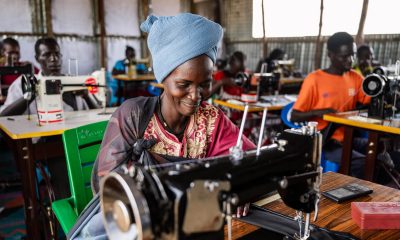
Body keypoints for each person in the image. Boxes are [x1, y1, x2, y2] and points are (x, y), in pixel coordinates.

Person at [75, 13, 256, 239]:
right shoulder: (133, 115)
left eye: (205, 84)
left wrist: (243, 185)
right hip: (134, 221)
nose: (195, 95)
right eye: (184, 84)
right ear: (163, 76)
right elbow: (108, 187)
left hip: (190, 220)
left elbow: (249, 160)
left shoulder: (211, 119)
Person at [291, 32, 370, 178]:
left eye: (352, 55)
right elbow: (294, 116)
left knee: (382, 152)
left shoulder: (355, 78)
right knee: (364, 164)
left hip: (349, 136)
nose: (350, 60)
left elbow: (369, 101)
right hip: (326, 141)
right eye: (344, 56)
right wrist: (320, 112)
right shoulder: (314, 80)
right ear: (330, 55)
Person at [0, 37, 99, 116]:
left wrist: (86, 96)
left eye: (57, 54)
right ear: (37, 59)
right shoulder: (23, 82)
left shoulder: (74, 81)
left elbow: (98, 114)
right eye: (46, 55)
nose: (53, 59)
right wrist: (30, 95)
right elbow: (3, 115)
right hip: (41, 140)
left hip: (74, 137)